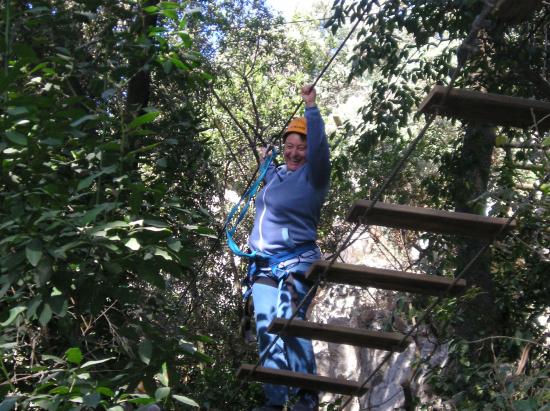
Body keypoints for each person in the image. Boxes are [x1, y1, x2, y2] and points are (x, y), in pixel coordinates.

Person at [248, 84, 330, 411]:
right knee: (268, 329)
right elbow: (270, 175)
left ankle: (305, 397)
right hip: (263, 265)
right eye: (290, 146)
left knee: (291, 324)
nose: (294, 153)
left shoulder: (315, 176)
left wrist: (311, 107)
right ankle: (274, 401)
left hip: (297, 263)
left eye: (301, 148)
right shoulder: (277, 176)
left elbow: (321, 147)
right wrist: (266, 161)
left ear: (310, 152)